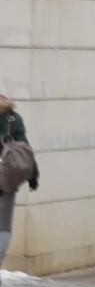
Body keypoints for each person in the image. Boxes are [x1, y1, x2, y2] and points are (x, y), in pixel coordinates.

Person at [0, 84, 34, 272]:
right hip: (6, 179)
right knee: (3, 226)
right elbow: (25, 149)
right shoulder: (13, 118)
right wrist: (33, 176)